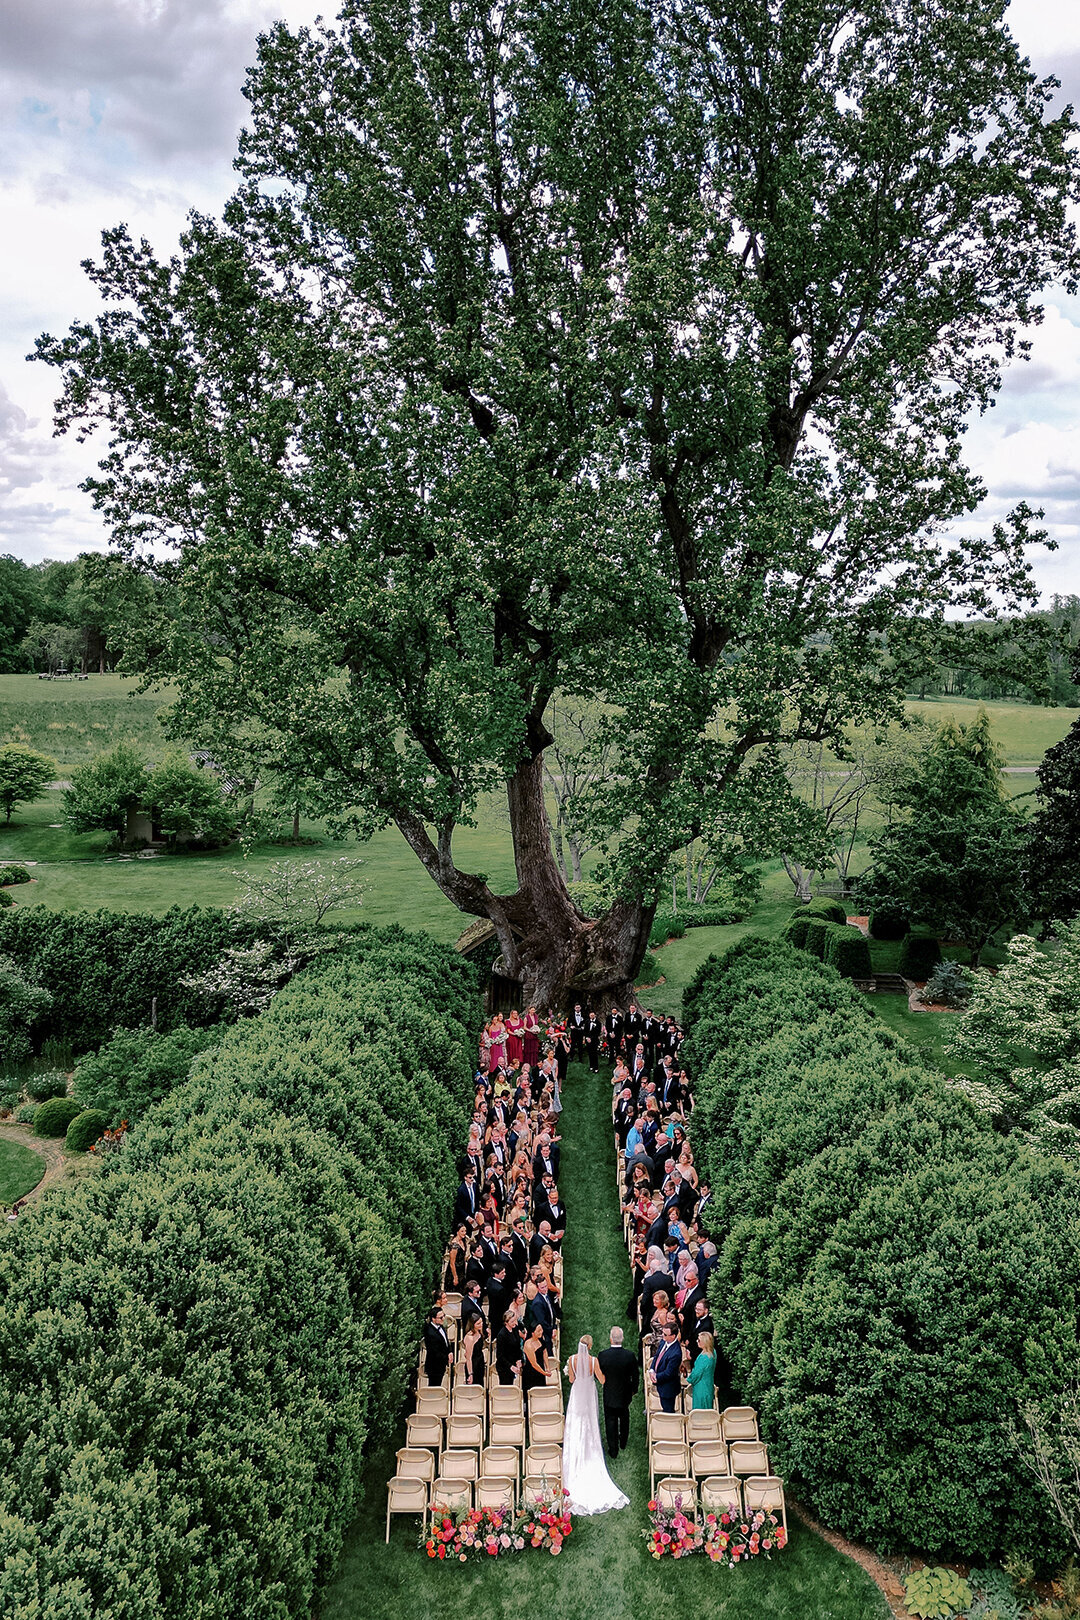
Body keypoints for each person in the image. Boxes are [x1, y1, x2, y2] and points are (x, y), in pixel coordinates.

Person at [562, 1336, 630, 1514]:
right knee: (590, 1421)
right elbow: (601, 1380)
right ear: (590, 1346)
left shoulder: (571, 1359)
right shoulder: (593, 1361)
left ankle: (576, 1447)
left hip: (577, 1393)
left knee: (576, 1421)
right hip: (589, 1394)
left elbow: (570, 1380)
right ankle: (591, 1448)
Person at [596, 1326, 640, 1459]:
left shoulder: (603, 1355)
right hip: (625, 1393)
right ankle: (623, 1442)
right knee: (624, 1416)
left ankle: (613, 1449)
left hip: (609, 1393)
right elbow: (636, 1375)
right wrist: (634, 1389)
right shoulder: (629, 1355)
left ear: (610, 1339)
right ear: (622, 1339)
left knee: (610, 1420)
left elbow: (600, 1373)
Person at [650, 1322, 684, 1413]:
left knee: (668, 1410)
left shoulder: (676, 1353)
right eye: (662, 1333)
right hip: (661, 1382)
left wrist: (656, 1376)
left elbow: (669, 1373)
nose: (662, 1335)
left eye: (665, 1334)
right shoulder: (663, 1342)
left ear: (673, 1336)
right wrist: (652, 1370)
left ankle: (669, 1425)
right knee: (664, 1405)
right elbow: (657, 1356)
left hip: (668, 1388)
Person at [423, 1306, 452, 1387]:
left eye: (444, 1316)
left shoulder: (440, 1325)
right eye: (440, 1317)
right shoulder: (430, 1332)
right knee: (434, 1386)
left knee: (438, 1383)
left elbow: (446, 1340)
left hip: (441, 1363)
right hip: (434, 1365)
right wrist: (447, 1357)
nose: (443, 1319)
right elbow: (435, 1352)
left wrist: (450, 1351)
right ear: (433, 1319)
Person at [689, 1331, 717, 1409]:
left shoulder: (704, 1358)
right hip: (709, 1384)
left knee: (700, 1408)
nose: (697, 1341)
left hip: (701, 1387)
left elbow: (696, 1374)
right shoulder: (713, 1352)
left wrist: (689, 1379)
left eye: (699, 1340)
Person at [521, 1321, 551, 1392]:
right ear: (532, 1333)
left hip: (540, 1368)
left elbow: (544, 1351)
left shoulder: (540, 1338)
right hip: (531, 1373)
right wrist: (544, 1373)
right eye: (538, 1331)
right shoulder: (529, 1345)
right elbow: (534, 1364)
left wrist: (547, 1367)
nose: (541, 1332)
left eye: (541, 1330)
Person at [496, 1307, 523, 1385]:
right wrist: (511, 1366)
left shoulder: (515, 1329)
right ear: (506, 1322)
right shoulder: (502, 1335)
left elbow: (518, 1347)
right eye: (512, 1321)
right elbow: (500, 1356)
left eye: (515, 1320)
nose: (514, 1323)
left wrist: (519, 1359)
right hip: (505, 1367)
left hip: (513, 1362)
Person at [462, 1313, 487, 1386]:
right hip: (473, 1364)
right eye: (478, 1323)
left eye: (481, 1322)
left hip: (480, 1362)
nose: (481, 1324)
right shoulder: (469, 1338)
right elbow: (468, 1358)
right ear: (472, 1324)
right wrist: (470, 1374)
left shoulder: (479, 1331)